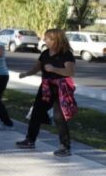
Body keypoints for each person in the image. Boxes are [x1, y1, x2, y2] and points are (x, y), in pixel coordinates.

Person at [16, 29, 77, 157]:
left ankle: (65, 147)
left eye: (48, 38)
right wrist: (26, 74)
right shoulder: (45, 53)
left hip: (61, 88)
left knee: (59, 117)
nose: (45, 40)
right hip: (46, 88)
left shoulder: (66, 54)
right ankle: (30, 140)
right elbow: (37, 68)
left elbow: (70, 72)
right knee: (36, 112)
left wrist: (54, 69)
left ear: (56, 40)